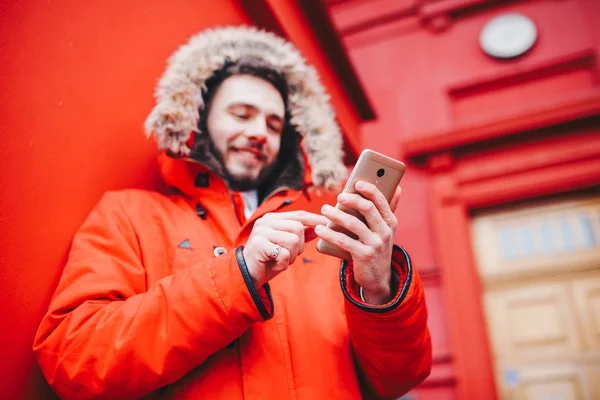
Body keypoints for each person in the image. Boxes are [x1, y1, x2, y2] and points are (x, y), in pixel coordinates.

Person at [33, 26, 431, 399]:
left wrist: (379, 290)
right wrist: (238, 275)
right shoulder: (128, 214)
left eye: (275, 124)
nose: (260, 131)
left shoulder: (328, 238)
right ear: (200, 120)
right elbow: (75, 358)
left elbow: (398, 379)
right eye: (241, 115)